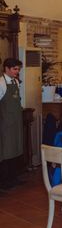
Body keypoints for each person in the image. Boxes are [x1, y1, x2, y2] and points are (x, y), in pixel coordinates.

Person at [0, 58, 23, 190]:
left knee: (16, 148)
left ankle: (14, 177)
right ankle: (5, 181)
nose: (17, 71)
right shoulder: (1, 83)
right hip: (6, 123)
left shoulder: (15, 82)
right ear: (7, 69)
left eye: (18, 69)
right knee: (6, 151)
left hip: (16, 122)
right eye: (15, 69)